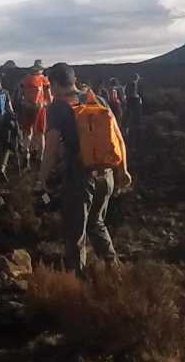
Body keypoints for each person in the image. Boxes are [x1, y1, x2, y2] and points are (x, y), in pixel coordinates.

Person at [39, 62, 133, 275]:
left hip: (79, 177)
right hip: (105, 175)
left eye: (50, 85)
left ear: (55, 84)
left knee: (75, 233)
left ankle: (76, 283)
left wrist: (42, 178)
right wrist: (123, 170)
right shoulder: (97, 99)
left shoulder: (58, 107)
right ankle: (114, 271)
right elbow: (118, 137)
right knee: (96, 222)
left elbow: (51, 147)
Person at [14, 62, 50, 171]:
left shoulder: (25, 79)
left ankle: (26, 157)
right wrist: (47, 105)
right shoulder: (44, 79)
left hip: (27, 107)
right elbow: (49, 97)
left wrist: (24, 103)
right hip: (40, 108)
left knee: (27, 133)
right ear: (41, 69)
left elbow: (19, 94)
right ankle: (40, 159)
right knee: (40, 133)